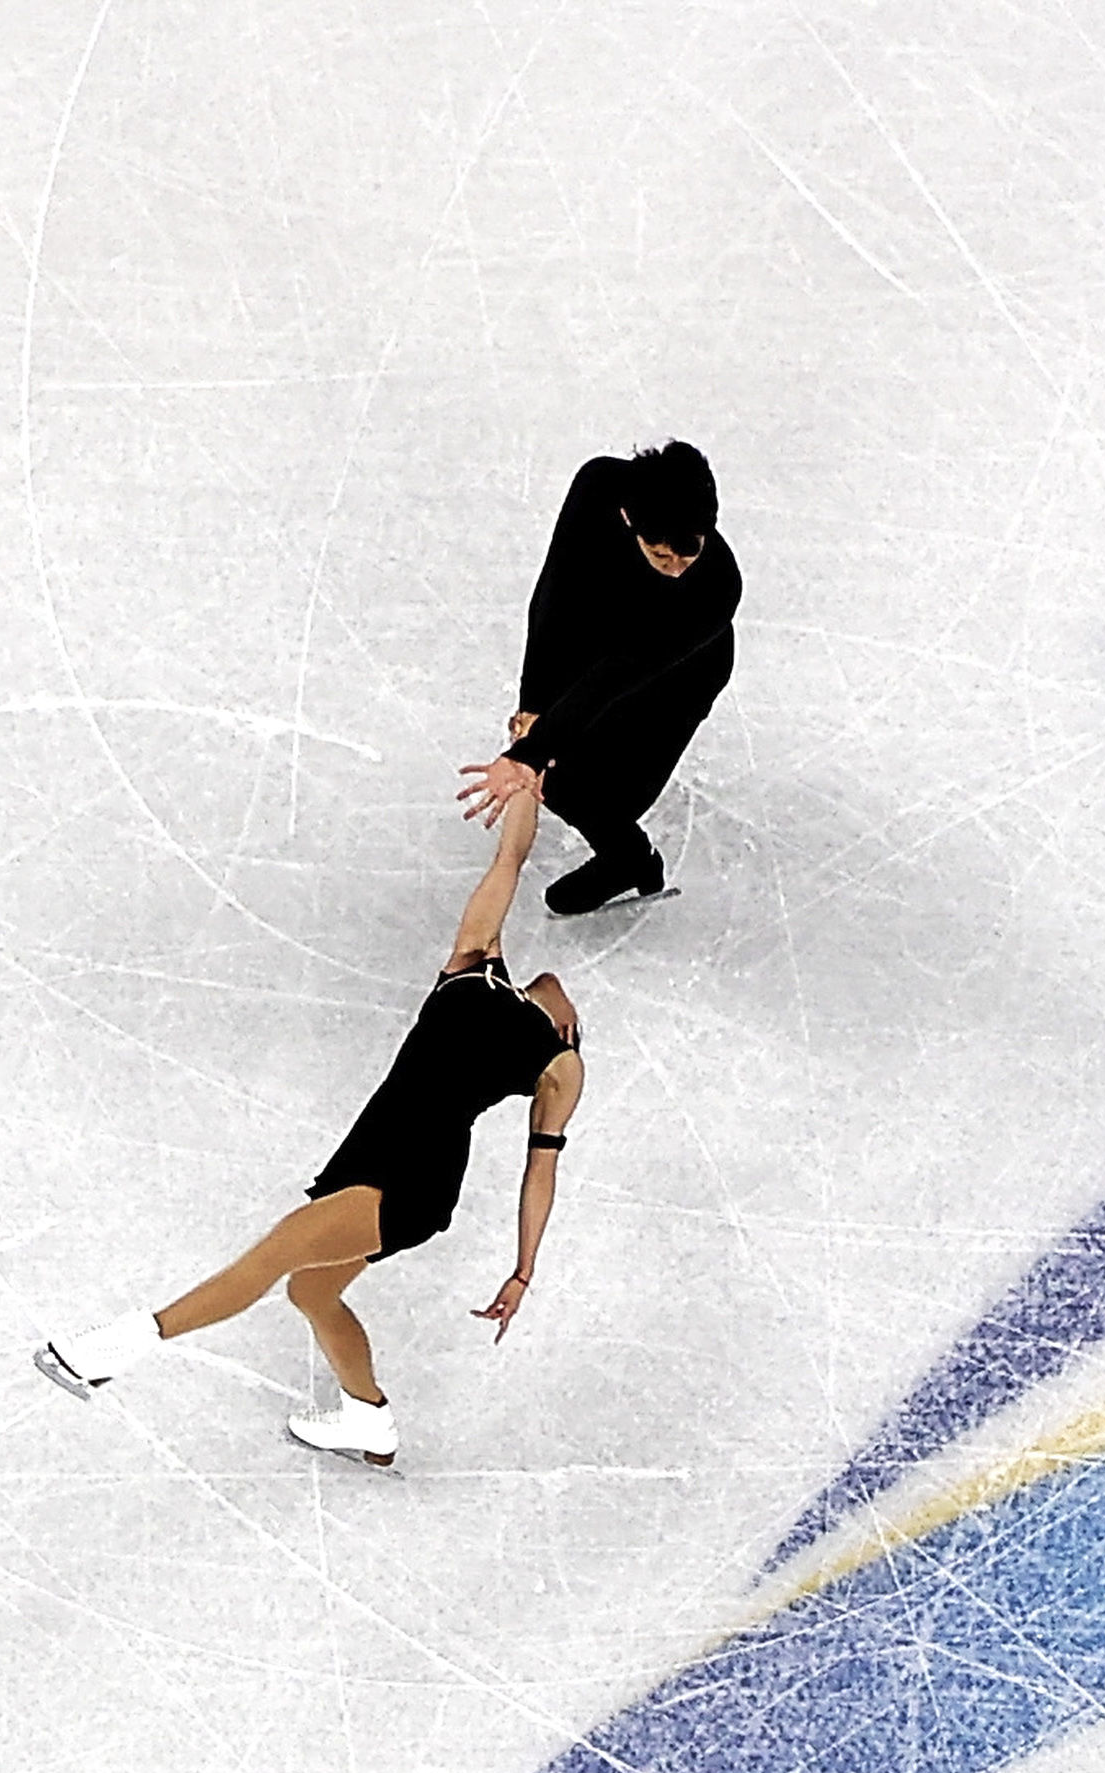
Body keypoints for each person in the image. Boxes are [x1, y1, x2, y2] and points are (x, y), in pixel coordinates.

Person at [38, 772, 583, 1471]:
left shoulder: (544, 1047)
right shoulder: (476, 963)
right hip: (373, 1151)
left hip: (413, 1177)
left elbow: (543, 1168)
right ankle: (367, 1417)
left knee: (272, 1259)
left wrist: (523, 1271)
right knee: (311, 1288)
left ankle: (106, 1354)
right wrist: (525, 776)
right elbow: (509, 855)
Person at [455, 440, 740, 917]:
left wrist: (529, 750)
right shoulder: (599, 486)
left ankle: (630, 859)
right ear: (630, 520)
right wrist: (533, 706)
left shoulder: (716, 588)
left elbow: (620, 674)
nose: (674, 573)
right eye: (660, 556)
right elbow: (555, 593)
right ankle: (626, 854)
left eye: (686, 560)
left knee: (589, 785)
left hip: (680, 671)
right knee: (556, 771)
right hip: (603, 636)